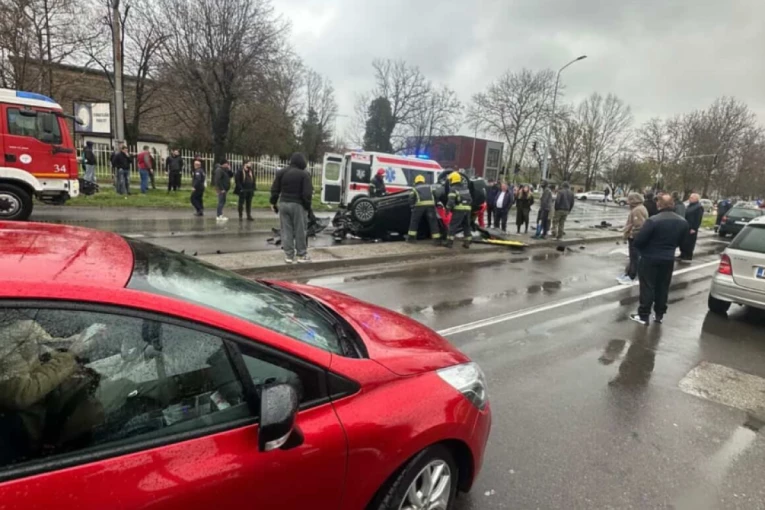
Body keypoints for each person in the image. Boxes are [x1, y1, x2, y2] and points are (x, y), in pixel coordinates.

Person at [630, 194, 689, 325]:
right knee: (663, 287)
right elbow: (683, 242)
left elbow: (639, 240)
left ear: (659, 205)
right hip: (668, 258)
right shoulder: (683, 222)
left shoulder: (653, 221)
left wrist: (641, 249)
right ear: (673, 205)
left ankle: (644, 315)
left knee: (647, 287)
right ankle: (659, 314)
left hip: (650, 257)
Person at [270, 152, 313, 264]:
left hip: (283, 203)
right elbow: (307, 193)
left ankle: (289, 256)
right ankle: (301, 255)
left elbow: (275, 189)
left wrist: (273, 202)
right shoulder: (304, 174)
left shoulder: (281, 172)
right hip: (298, 205)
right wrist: (308, 207)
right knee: (300, 230)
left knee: (286, 230)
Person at [617, 193, 649, 285]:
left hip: (635, 237)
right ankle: (629, 274)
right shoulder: (639, 208)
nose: (627, 202)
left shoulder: (637, 210)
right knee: (633, 257)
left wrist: (631, 234)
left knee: (634, 257)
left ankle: (632, 276)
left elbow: (639, 225)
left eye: (629, 199)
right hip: (635, 236)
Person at [407, 175, 440, 244]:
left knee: (414, 221)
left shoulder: (414, 188)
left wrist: (412, 207)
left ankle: (411, 238)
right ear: (423, 181)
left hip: (419, 207)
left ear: (416, 181)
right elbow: (436, 195)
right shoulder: (430, 187)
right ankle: (437, 240)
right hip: (430, 206)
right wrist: (435, 203)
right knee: (433, 222)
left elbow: (411, 198)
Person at [445, 171, 472, 249]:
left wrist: (447, 209)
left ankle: (449, 243)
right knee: (466, 226)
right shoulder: (465, 188)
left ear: (452, 180)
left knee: (453, 226)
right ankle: (467, 243)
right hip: (467, 210)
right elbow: (470, 199)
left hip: (459, 210)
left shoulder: (453, 189)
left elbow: (451, 201)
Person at [681, 193, 704, 261]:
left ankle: (688, 255)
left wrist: (694, 228)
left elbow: (698, 218)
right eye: (690, 197)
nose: (690, 199)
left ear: (696, 199)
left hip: (692, 227)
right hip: (686, 226)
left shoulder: (698, 207)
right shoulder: (689, 206)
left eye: (692, 198)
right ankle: (683, 254)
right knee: (684, 241)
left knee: (690, 242)